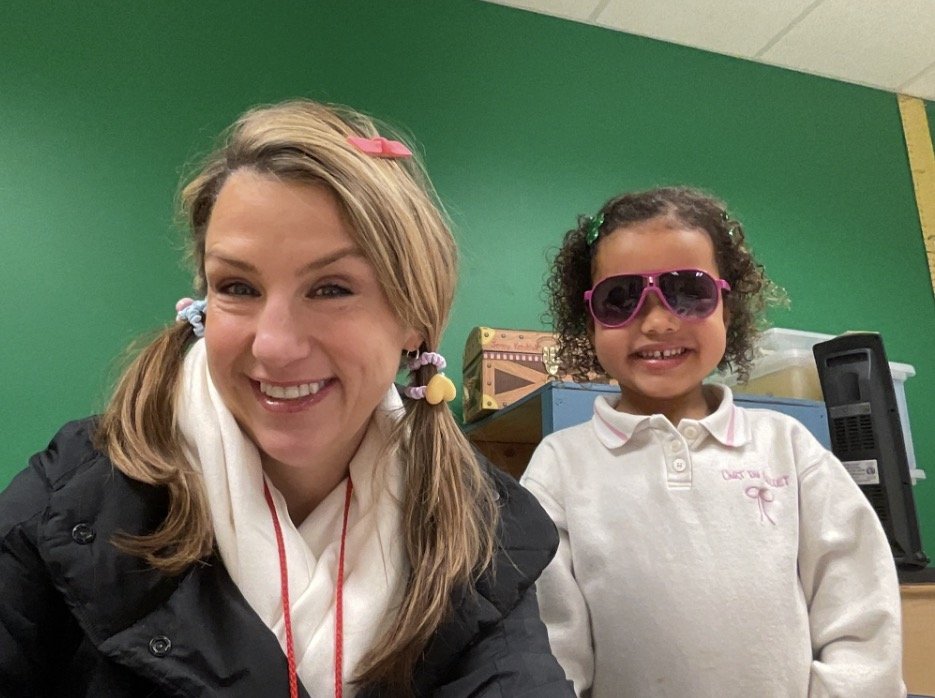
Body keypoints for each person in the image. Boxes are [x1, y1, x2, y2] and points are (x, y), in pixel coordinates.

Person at [0, 100, 574, 697]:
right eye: (238, 287)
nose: (274, 346)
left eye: (331, 288)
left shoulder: (479, 528)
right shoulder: (71, 492)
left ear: (413, 319)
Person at [520, 187, 906, 697]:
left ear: (728, 305)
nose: (657, 320)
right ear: (588, 318)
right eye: (620, 297)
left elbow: (862, 619)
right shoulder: (560, 467)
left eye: (688, 290)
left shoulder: (788, 449)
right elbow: (550, 650)